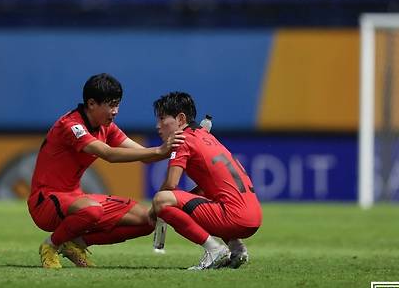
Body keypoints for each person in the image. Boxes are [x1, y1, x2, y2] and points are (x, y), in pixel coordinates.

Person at [28, 73, 182, 269]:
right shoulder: (71, 126)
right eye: (111, 105)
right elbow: (108, 154)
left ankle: (75, 244)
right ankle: (50, 245)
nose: (116, 111)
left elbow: (143, 155)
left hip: (74, 199)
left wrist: (179, 146)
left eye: (117, 104)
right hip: (45, 201)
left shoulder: (106, 127)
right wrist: (161, 150)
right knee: (92, 210)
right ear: (92, 103)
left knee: (147, 219)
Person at [150, 92, 261, 270]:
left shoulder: (182, 139)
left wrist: (154, 211)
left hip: (233, 218)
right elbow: (204, 190)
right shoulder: (205, 135)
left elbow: (170, 185)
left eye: (162, 119)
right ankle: (237, 249)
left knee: (161, 200)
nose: (158, 126)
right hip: (253, 216)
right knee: (192, 198)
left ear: (180, 119)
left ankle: (214, 249)